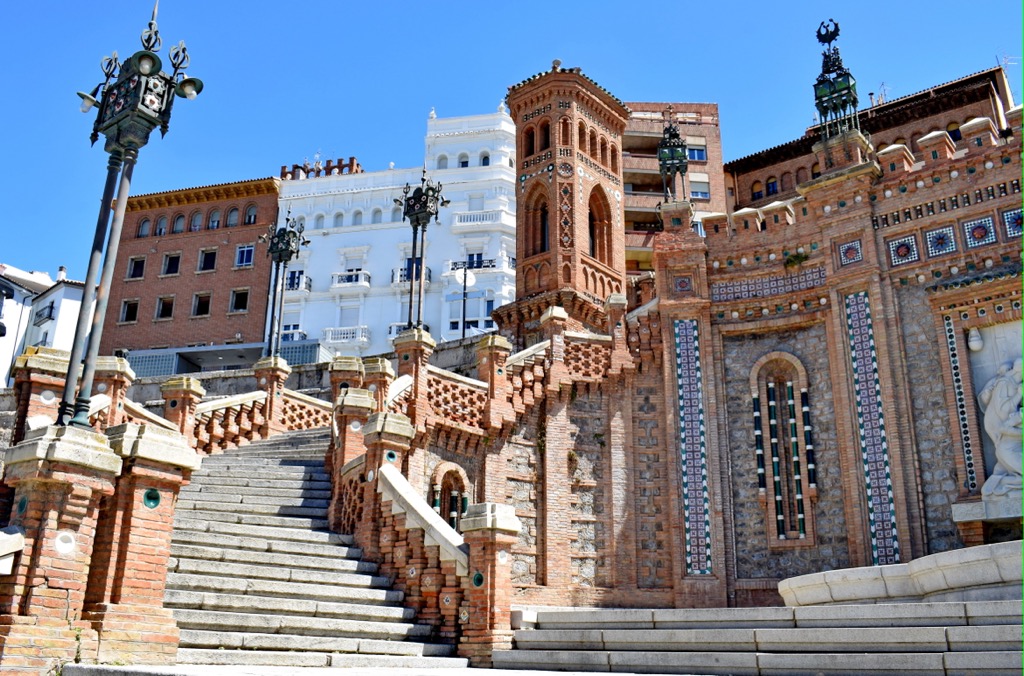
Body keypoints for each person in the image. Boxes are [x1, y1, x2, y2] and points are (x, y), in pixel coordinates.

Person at [977, 358, 1023, 498]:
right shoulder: (1005, 383)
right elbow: (1003, 411)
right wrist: (1019, 394)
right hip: (998, 428)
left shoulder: (1016, 385)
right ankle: (999, 482)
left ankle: (1001, 479)